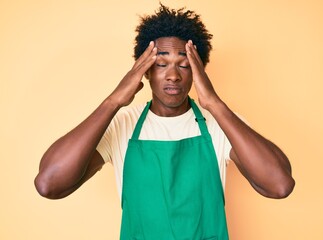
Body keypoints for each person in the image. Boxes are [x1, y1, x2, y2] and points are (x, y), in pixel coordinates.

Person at [35, 4, 295, 239]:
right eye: (161, 64)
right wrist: (112, 102)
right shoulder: (121, 123)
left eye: (184, 65)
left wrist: (214, 104)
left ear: (197, 72)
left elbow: (279, 184)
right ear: (144, 70)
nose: (173, 75)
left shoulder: (220, 123)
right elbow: (50, 183)